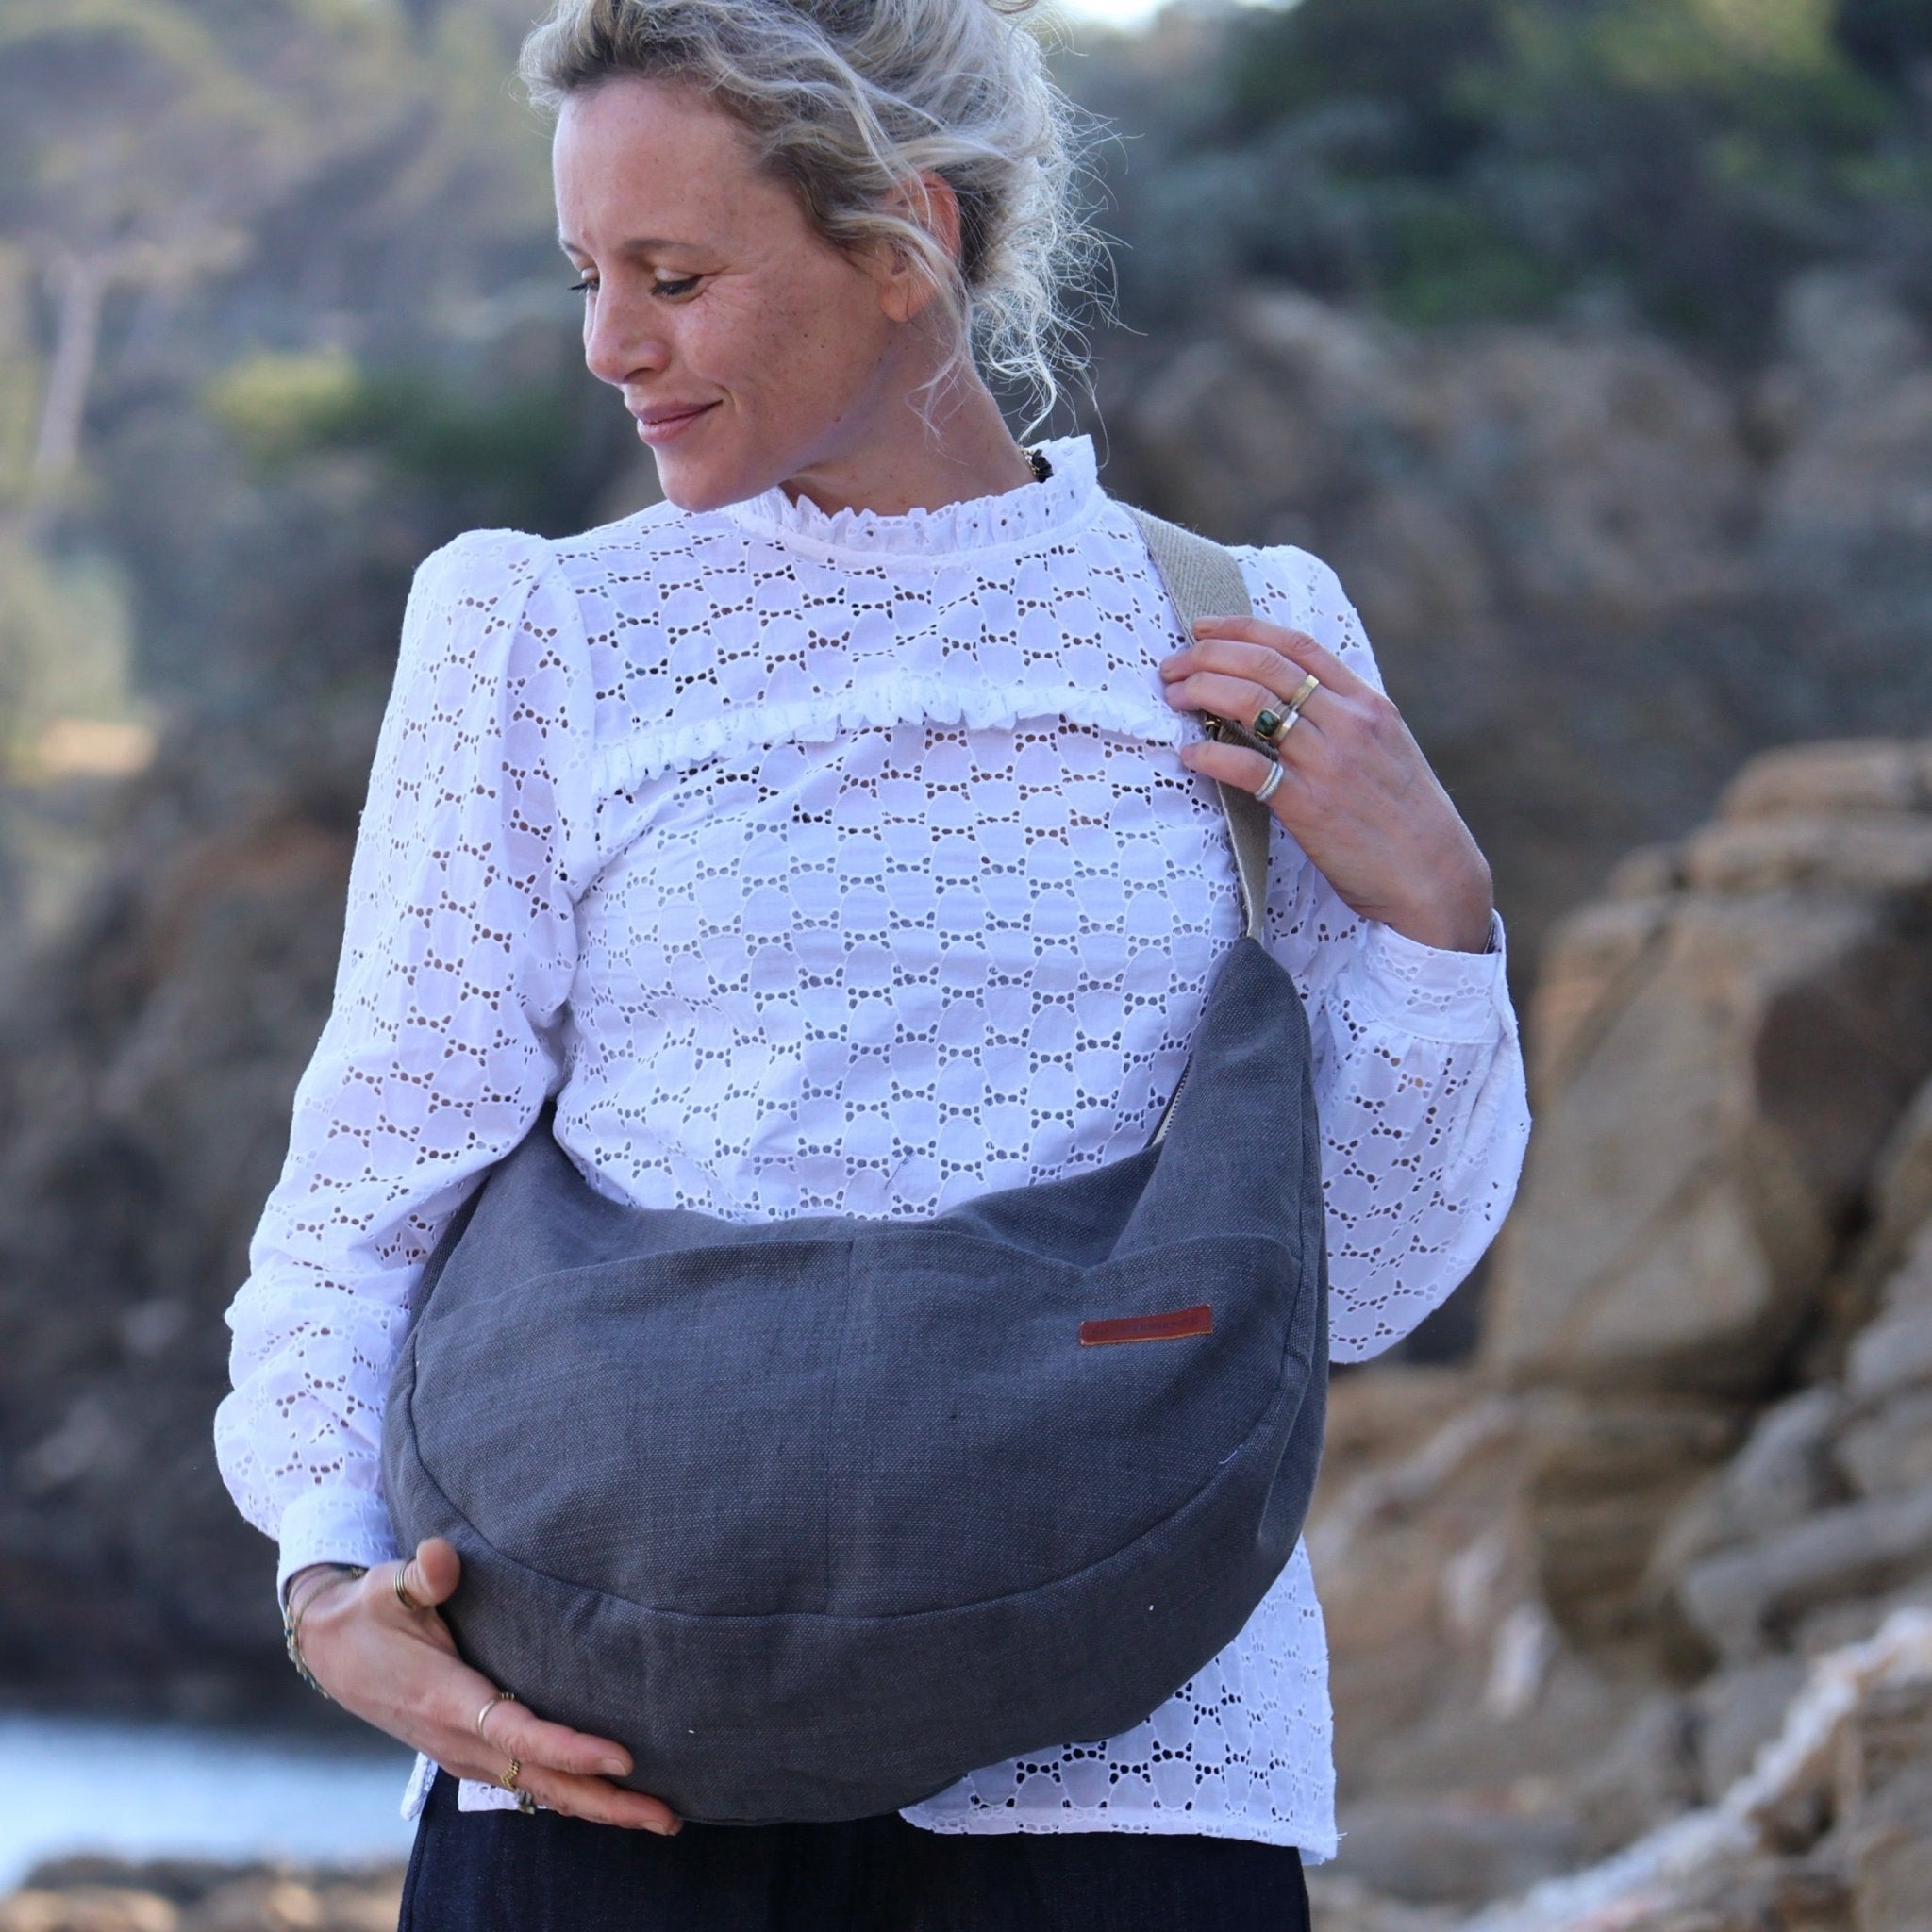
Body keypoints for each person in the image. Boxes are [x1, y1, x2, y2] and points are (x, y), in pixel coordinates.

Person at [213, 1, 1532, 1925]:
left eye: (676, 278)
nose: (609, 345)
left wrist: (1435, 915)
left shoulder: (1243, 628)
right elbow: (372, 1180)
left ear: (908, 236)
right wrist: (330, 1579)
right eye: (588, 276)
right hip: (599, 1761)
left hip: (1122, 1783)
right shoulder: (537, 626)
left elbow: (1364, 1286)